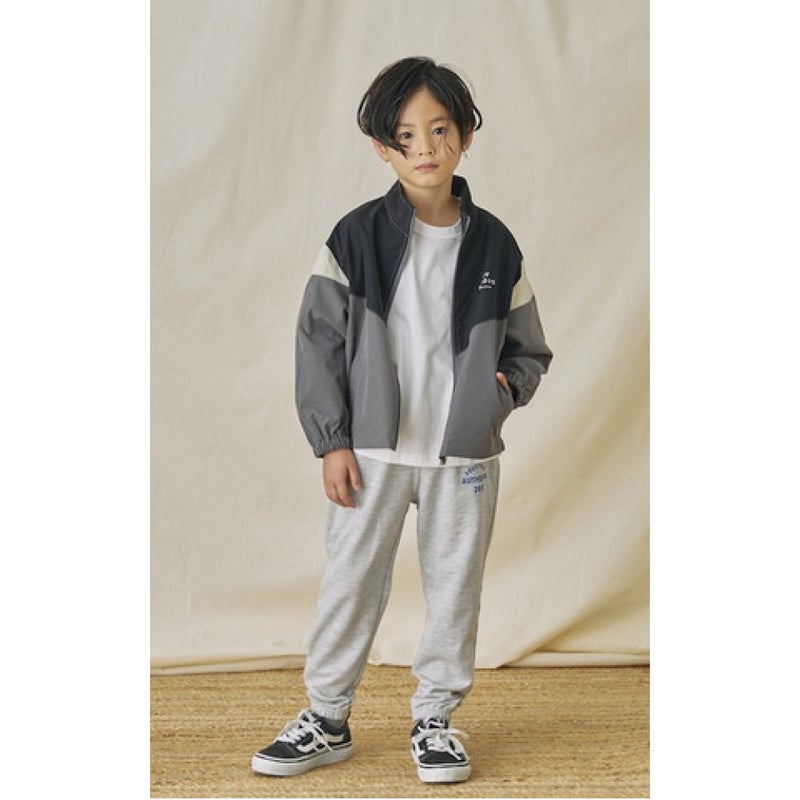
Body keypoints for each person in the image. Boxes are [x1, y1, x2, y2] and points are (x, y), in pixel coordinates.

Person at [251, 56, 552, 785]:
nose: (425, 148)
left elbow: (529, 348)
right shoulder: (355, 238)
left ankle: (436, 721)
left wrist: (499, 394)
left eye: (440, 130)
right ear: (382, 148)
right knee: (350, 583)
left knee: (455, 589)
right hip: (372, 455)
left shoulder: (496, 244)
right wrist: (332, 441)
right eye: (406, 135)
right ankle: (326, 717)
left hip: (464, 458)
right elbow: (318, 344)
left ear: (466, 136)